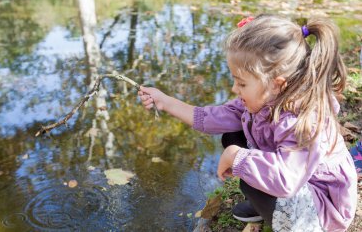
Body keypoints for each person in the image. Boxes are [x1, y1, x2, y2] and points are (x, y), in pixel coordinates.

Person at [138, 14, 357, 231]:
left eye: (241, 83)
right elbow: (211, 118)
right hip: (297, 186)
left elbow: (287, 179)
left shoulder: (302, 121)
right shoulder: (265, 99)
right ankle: (266, 208)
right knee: (233, 135)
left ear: (277, 84)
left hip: (323, 211)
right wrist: (165, 102)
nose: (235, 89)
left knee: (244, 163)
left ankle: (284, 216)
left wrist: (237, 156)